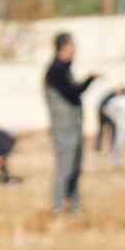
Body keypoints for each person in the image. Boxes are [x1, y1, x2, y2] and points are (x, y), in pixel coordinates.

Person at [43, 32, 98, 215]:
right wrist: (90, 80)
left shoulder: (65, 69)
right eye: (71, 46)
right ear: (62, 48)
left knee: (75, 166)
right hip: (63, 128)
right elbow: (73, 92)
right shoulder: (56, 70)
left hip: (73, 126)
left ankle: (74, 205)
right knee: (65, 167)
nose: (74, 50)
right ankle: (58, 206)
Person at [95, 86, 125, 154]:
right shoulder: (113, 96)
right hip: (104, 113)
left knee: (102, 130)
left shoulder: (112, 95)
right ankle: (111, 146)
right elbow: (107, 108)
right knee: (112, 128)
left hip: (102, 113)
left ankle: (101, 147)